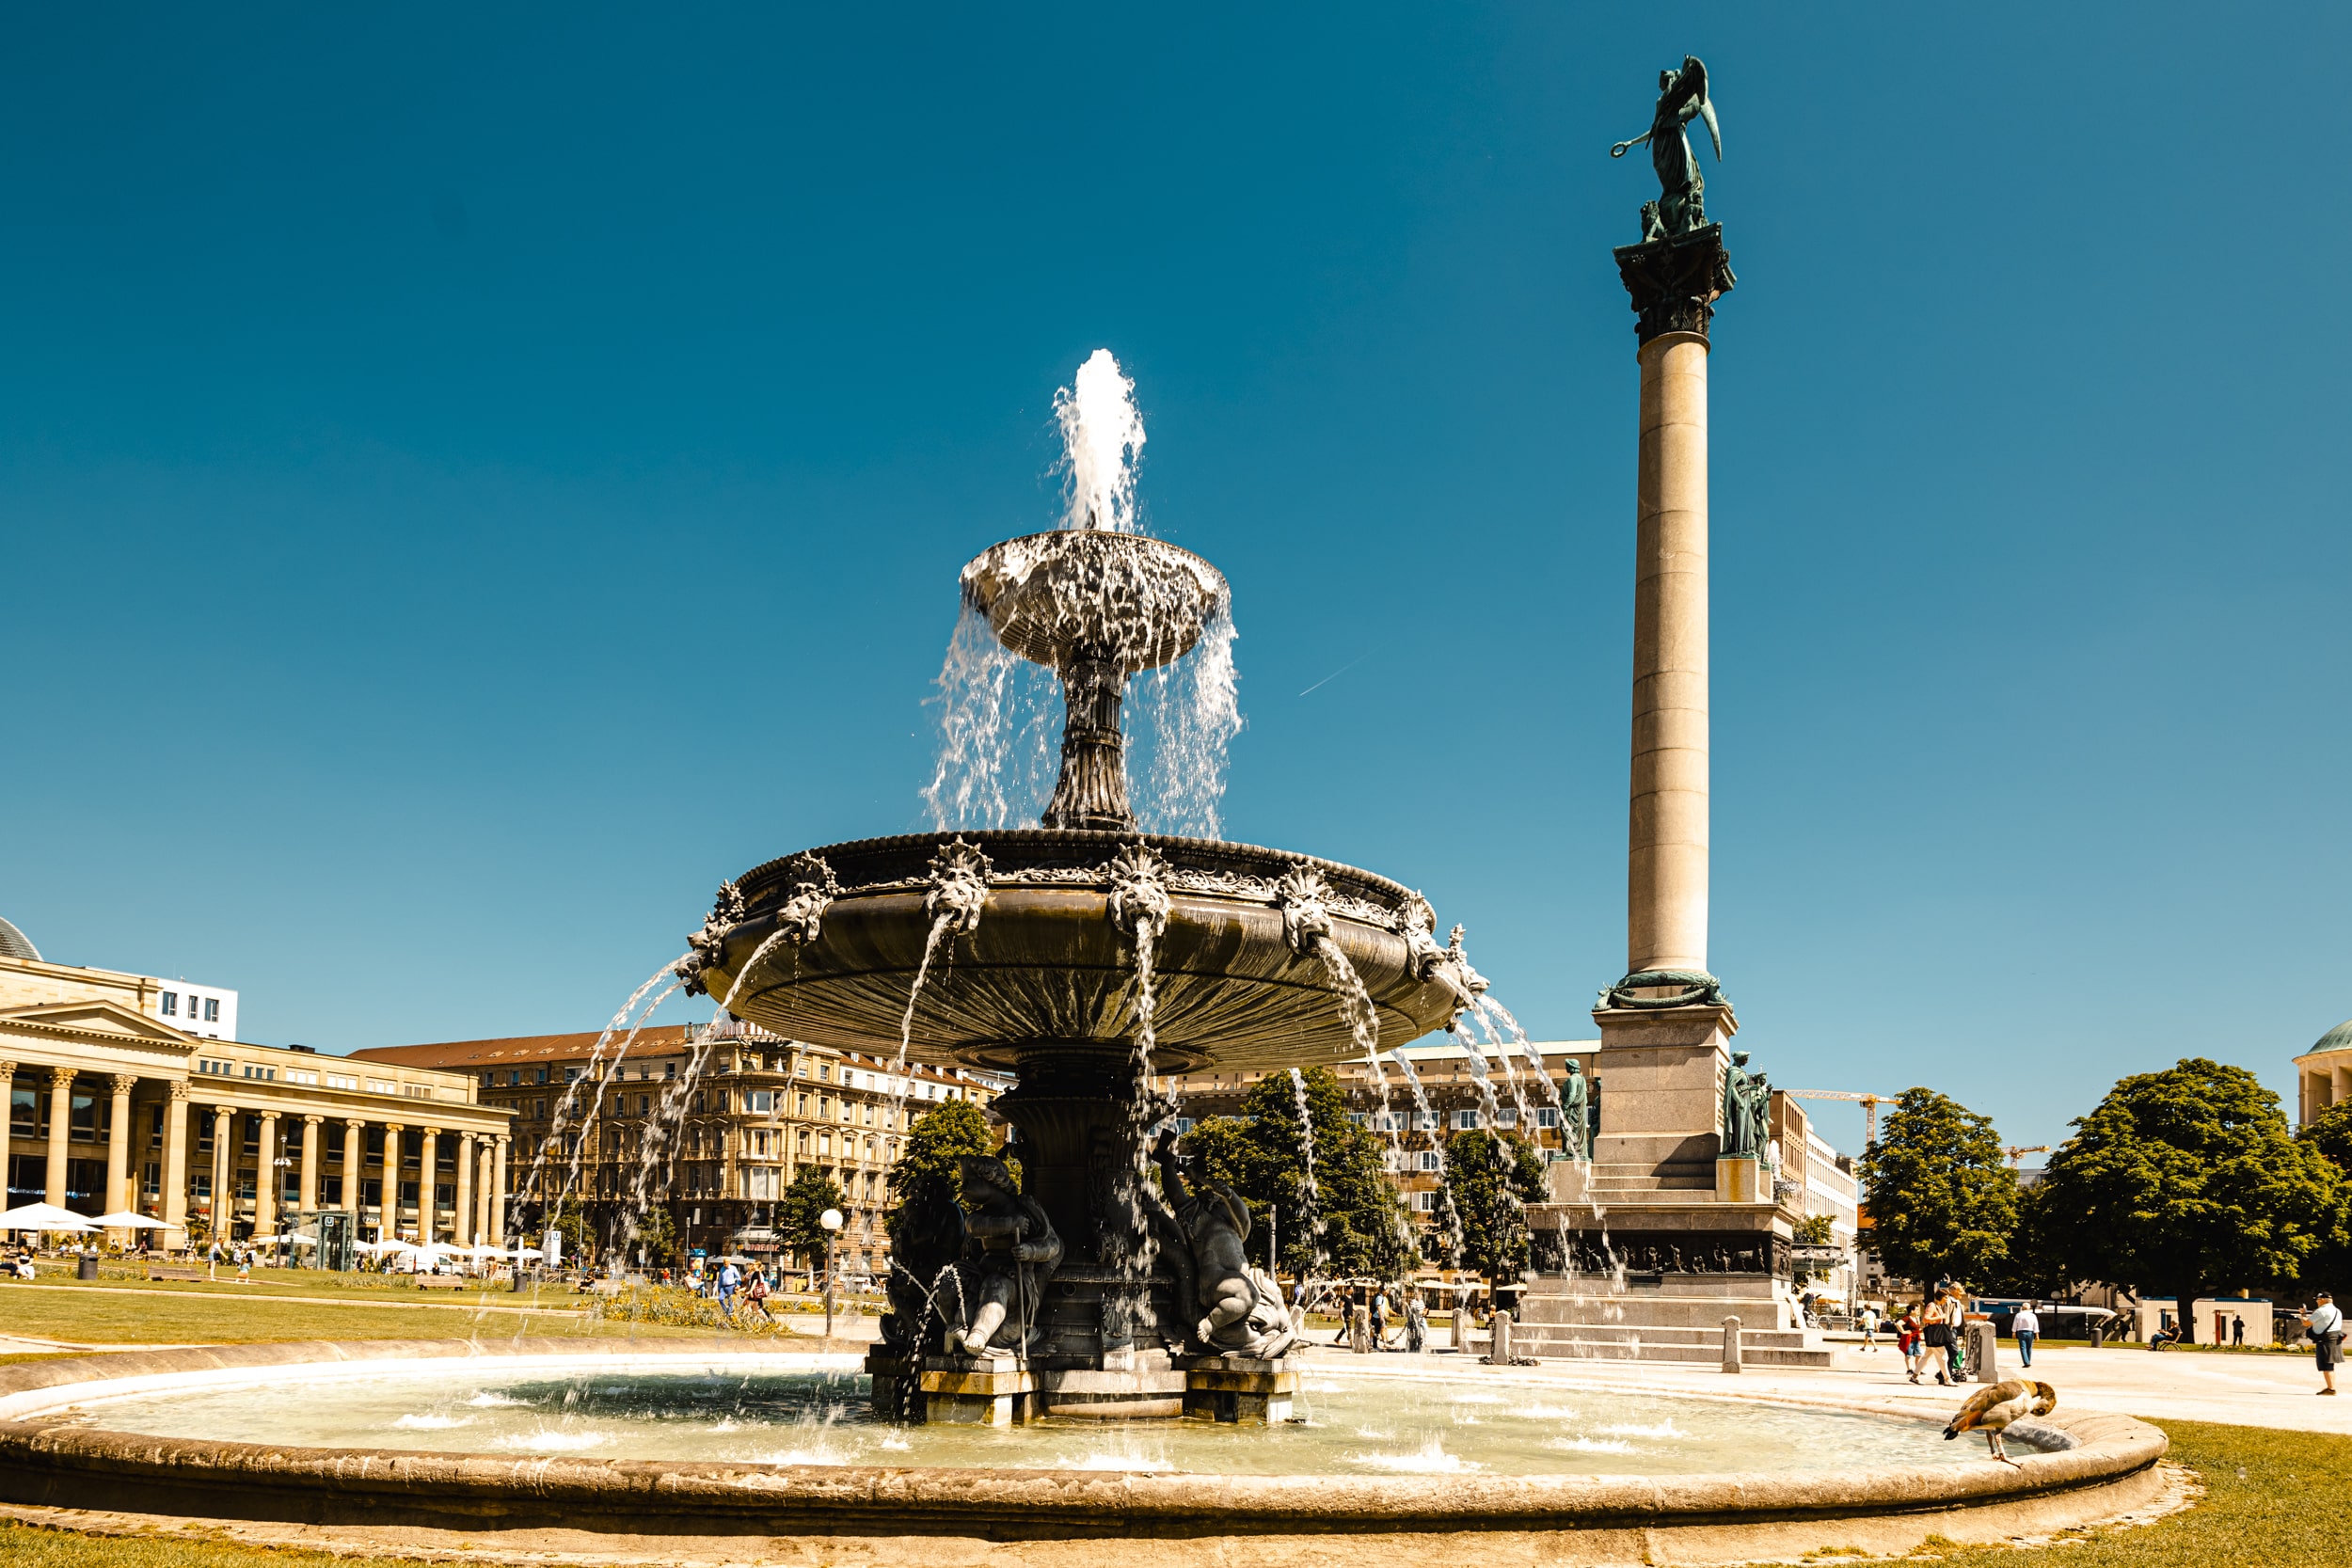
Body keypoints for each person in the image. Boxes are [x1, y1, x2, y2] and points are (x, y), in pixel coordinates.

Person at [2304, 1291, 2341, 1396]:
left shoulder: (2321, 1311)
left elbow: (2306, 1323)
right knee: (2330, 1365)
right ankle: (2331, 1387)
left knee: (2326, 1365)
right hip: (2334, 1338)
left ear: (2323, 1300)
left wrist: (2302, 1315)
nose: (2317, 1301)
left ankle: (2331, 1389)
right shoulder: (2337, 1311)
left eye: (2318, 1299)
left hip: (2325, 1340)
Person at [1922, 1296, 1951, 1386]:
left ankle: (1914, 1376)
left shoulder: (1938, 1306)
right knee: (1943, 1357)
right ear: (1940, 1297)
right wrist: (1940, 1317)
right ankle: (1947, 1379)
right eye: (1945, 1297)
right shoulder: (1932, 1306)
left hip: (1935, 1333)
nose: (1947, 1299)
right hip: (1935, 1334)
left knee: (1925, 1357)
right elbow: (1926, 1319)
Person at [2012, 1302, 2040, 1369]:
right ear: (2029, 1308)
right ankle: (2028, 1361)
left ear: (2022, 1308)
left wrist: (2014, 1332)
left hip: (2021, 1331)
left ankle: (2026, 1362)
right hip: (2030, 1331)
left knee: (2023, 1348)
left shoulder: (2018, 1315)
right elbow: (2035, 1325)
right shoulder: (2033, 1315)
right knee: (2029, 1347)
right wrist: (2037, 1334)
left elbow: (2015, 1324)